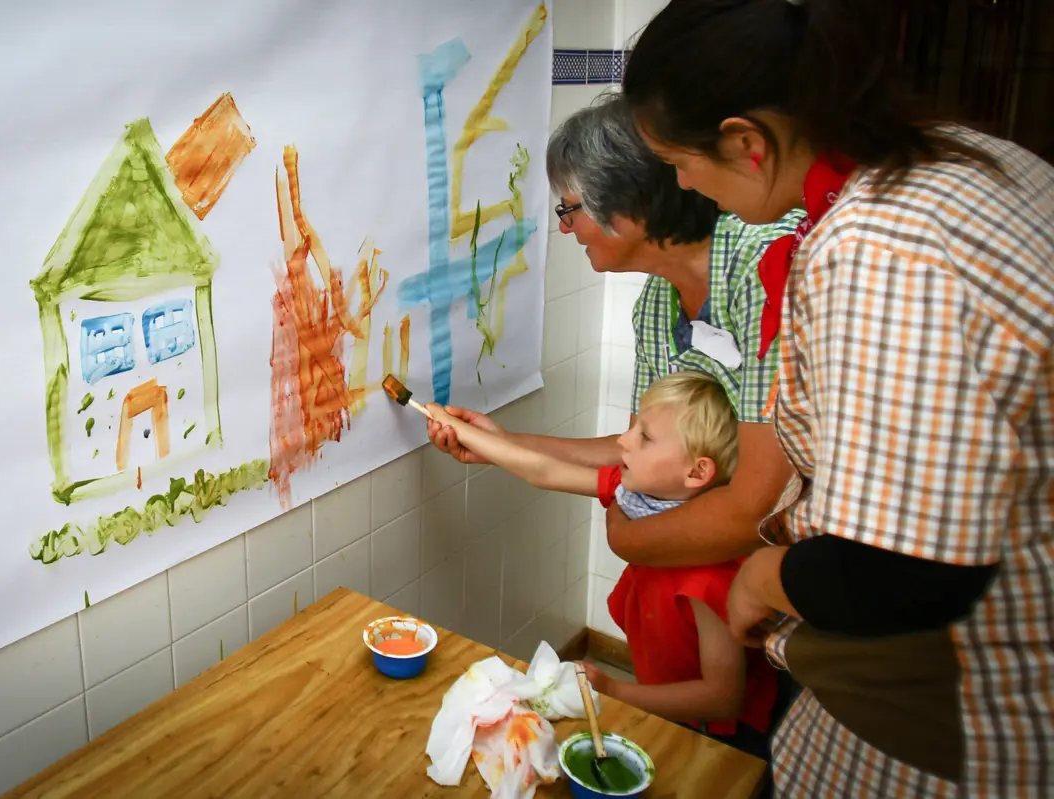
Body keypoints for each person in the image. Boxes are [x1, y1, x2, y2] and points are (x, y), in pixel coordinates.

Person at [621, 1, 1054, 796]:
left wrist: (766, 576)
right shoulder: (965, 159)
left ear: (747, 143)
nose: (681, 186)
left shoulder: (876, 246)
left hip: (958, 718)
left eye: (679, 163)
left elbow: (905, 569)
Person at [428, 93, 802, 569]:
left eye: (569, 210)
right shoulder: (655, 308)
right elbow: (633, 451)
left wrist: (627, 538)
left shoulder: (763, 269)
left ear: (626, 205)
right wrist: (501, 444)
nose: (567, 230)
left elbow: (759, 501)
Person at [427, 371, 778, 760]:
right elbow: (542, 471)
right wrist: (480, 437)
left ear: (697, 472)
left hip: (729, 740)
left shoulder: (714, 577)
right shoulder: (641, 497)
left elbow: (721, 699)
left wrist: (614, 690)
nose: (624, 440)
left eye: (644, 436)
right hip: (664, 702)